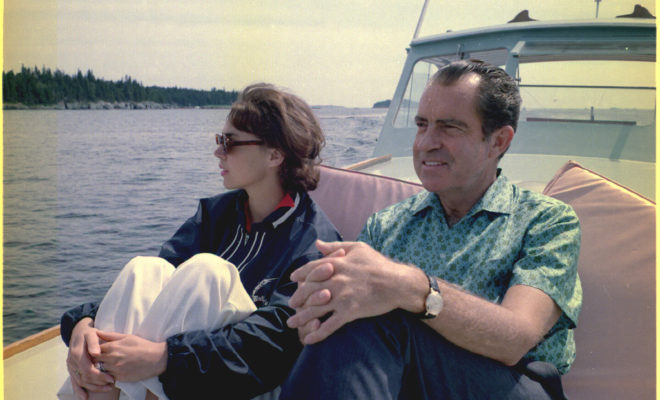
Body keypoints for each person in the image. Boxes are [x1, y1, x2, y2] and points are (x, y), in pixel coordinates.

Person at [282, 60, 582, 399]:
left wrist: (412, 288)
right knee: (351, 319)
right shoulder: (386, 225)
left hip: (513, 384)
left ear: (498, 141)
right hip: (406, 383)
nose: (426, 142)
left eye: (449, 128)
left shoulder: (547, 222)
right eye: (422, 125)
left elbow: (516, 338)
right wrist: (317, 314)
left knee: (378, 316)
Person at [58, 83, 342, 400]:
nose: (218, 151)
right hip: (185, 372)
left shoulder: (313, 244)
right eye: (219, 140)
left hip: (252, 380)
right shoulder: (217, 216)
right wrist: (83, 323)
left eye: (230, 142)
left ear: (275, 154)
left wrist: (164, 358)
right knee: (146, 269)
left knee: (209, 272)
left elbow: (274, 344)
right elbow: (156, 286)